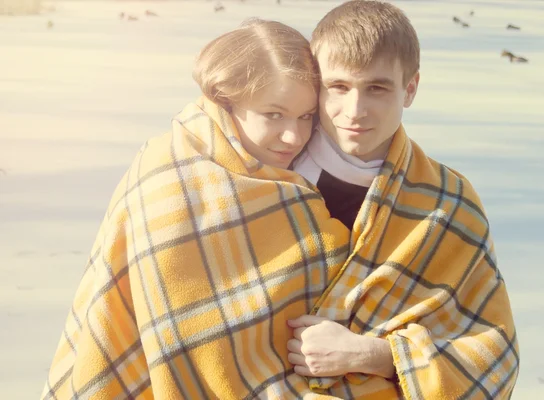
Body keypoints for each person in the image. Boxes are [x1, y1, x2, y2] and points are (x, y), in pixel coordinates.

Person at [41, 19, 357, 399]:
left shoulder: (300, 177)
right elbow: (186, 332)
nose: (293, 136)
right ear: (226, 100)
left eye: (306, 117)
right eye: (273, 114)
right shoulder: (166, 176)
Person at [287, 1, 520, 398]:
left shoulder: (448, 204)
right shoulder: (270, 174)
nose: (355, 110)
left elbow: (494, 359)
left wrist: (372, 354)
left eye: (376, 88)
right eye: (338, 87)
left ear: (409, 89)